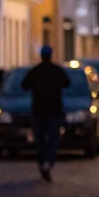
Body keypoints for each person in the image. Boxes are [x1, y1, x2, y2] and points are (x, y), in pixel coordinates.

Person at [21, 45, 71, 182]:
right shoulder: (56, 71)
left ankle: (43, 162)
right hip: (54, 110)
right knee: (53, 139)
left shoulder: (36, 71)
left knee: (40, 139)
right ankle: (48, 162)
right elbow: (67, 83)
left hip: (39, 110)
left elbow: (24, 85)